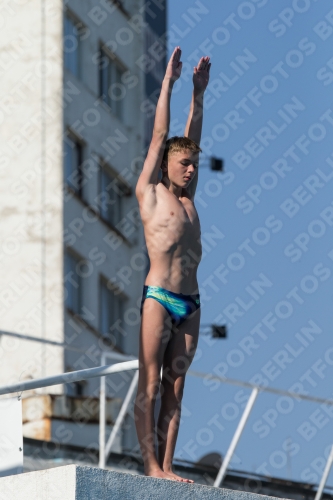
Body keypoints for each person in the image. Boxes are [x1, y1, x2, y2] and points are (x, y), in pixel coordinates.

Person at [134, 46, 211, 483]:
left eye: (194, 165)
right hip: (160, 297)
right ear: (167, 164)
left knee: (175, 390)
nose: (191, 169)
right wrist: (170, 84)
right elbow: (162, 134)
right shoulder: (151, 191)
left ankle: (167, 465)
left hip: (191, 303)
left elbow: (191, 138)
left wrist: (199, 96)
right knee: (149, 384)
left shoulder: (188, 201)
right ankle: (149, 466)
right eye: (184, 163)